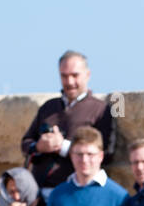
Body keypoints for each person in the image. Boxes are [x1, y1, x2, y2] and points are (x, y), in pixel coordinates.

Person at [20, 50, 116, 194]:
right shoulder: (48, 107)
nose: (70, 82)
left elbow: (108, 153)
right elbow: (26, 143)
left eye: (75, 75)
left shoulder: (101, 110)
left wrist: (63, 147)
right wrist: (39, 146)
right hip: (38, 192)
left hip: (75, 192)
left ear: (87, 75)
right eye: (64, 76)